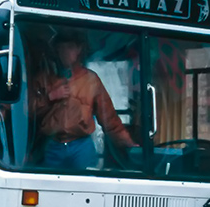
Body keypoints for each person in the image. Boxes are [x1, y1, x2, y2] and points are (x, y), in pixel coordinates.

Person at [29, 29, 136, 169]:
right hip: (52, 145)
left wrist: (129, 144)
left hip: (81, 146)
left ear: (79, 49)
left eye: (71, 47)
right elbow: (27, 112)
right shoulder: (44, 78)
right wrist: (50, 97)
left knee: (85, 186)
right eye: (62, 47)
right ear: (56, 50)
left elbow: (110, 119)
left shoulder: (91, 80)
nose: (66, 52)